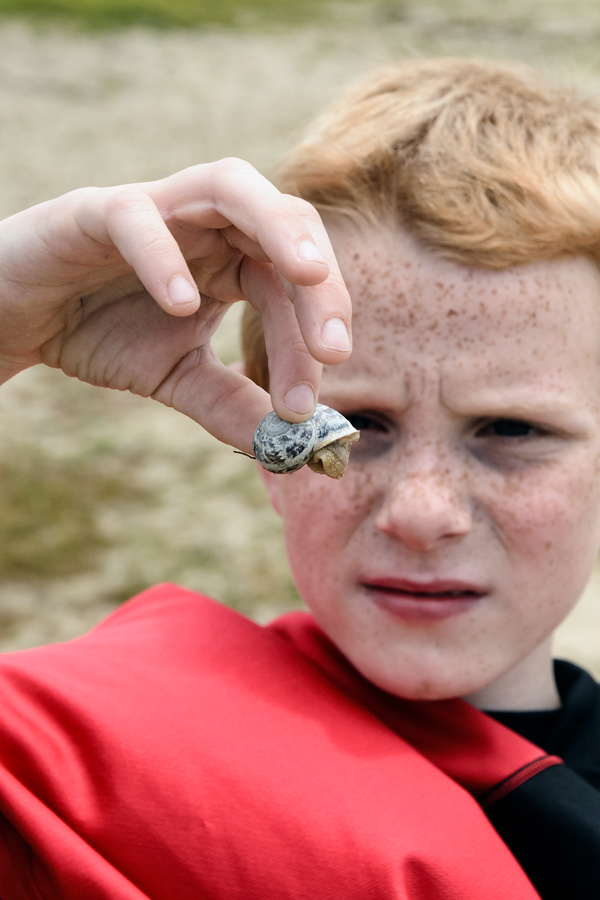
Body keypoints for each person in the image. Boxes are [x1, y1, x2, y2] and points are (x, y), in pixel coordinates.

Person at [0, 57, 598, 900]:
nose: (421, 514)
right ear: (266, 450)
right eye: (351, 430)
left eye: (513, 430)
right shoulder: (91, 771)